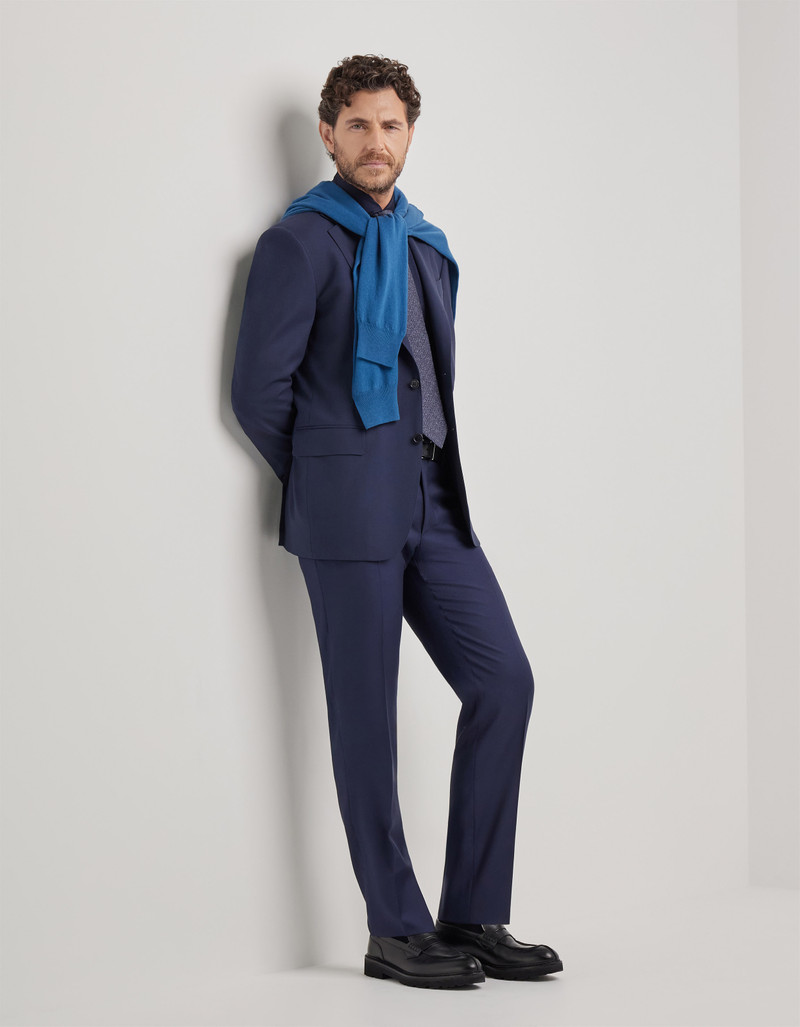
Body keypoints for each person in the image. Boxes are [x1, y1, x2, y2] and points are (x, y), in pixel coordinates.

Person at [231, 54, 563, 990]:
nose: (376, 143)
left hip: (434, 500)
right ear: (328, 134)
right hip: (348, 513)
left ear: (410, 133)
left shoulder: (426, 244)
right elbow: (257, 393)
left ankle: (472, 912)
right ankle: (395, 929)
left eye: (391, 125)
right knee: (366, 719)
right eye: (358, 126)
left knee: (504, 681)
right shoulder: (299, 243)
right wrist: (333, 476)